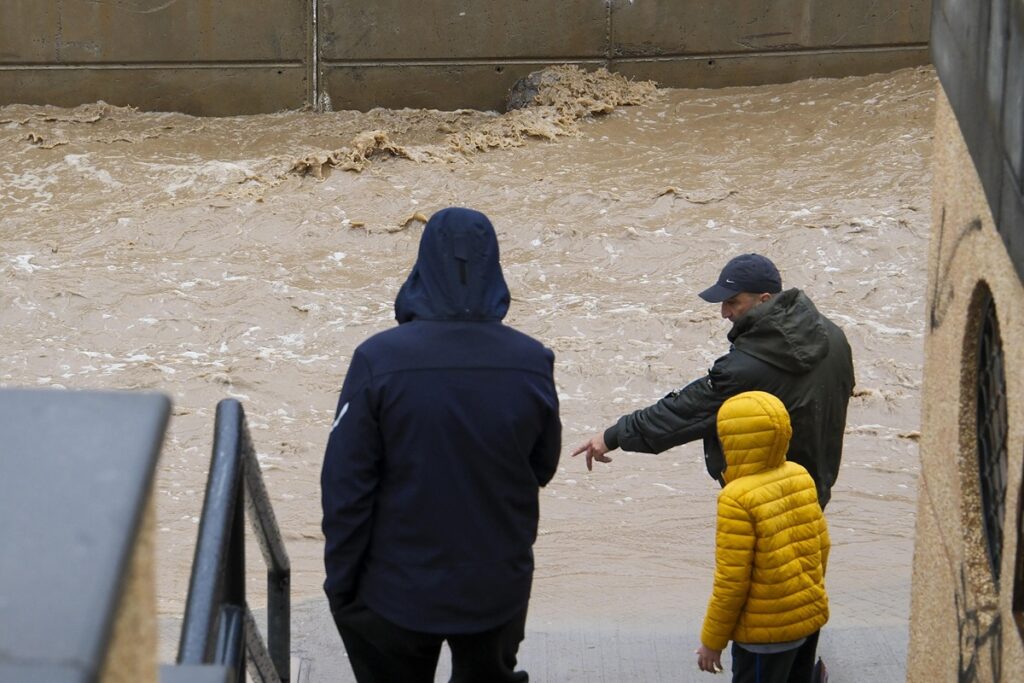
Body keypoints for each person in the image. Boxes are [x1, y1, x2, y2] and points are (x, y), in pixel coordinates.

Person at [320, 207, 562, 683]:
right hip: (497, 582)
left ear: (422, 266)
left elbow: (345, 487)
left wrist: (341, 584)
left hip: (395, 587)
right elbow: (542, 466)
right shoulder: (532, 361)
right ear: (494, 266)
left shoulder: (378, 359)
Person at [572, 252, 854, 508]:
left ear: (764, 299)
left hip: (765, 501)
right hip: (814, 490)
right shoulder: (834, 337)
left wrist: (613, 435)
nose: (724, 313)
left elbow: (684, 412)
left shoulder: (746, 368)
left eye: (733, 302)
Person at [696, 391, 830, 682]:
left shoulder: (736, 498)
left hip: (764, 637)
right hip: (807, 620)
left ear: (732, 439)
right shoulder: (799, 475)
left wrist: (712, 641)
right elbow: (822, 545)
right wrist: (800, 601)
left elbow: (731, 582)